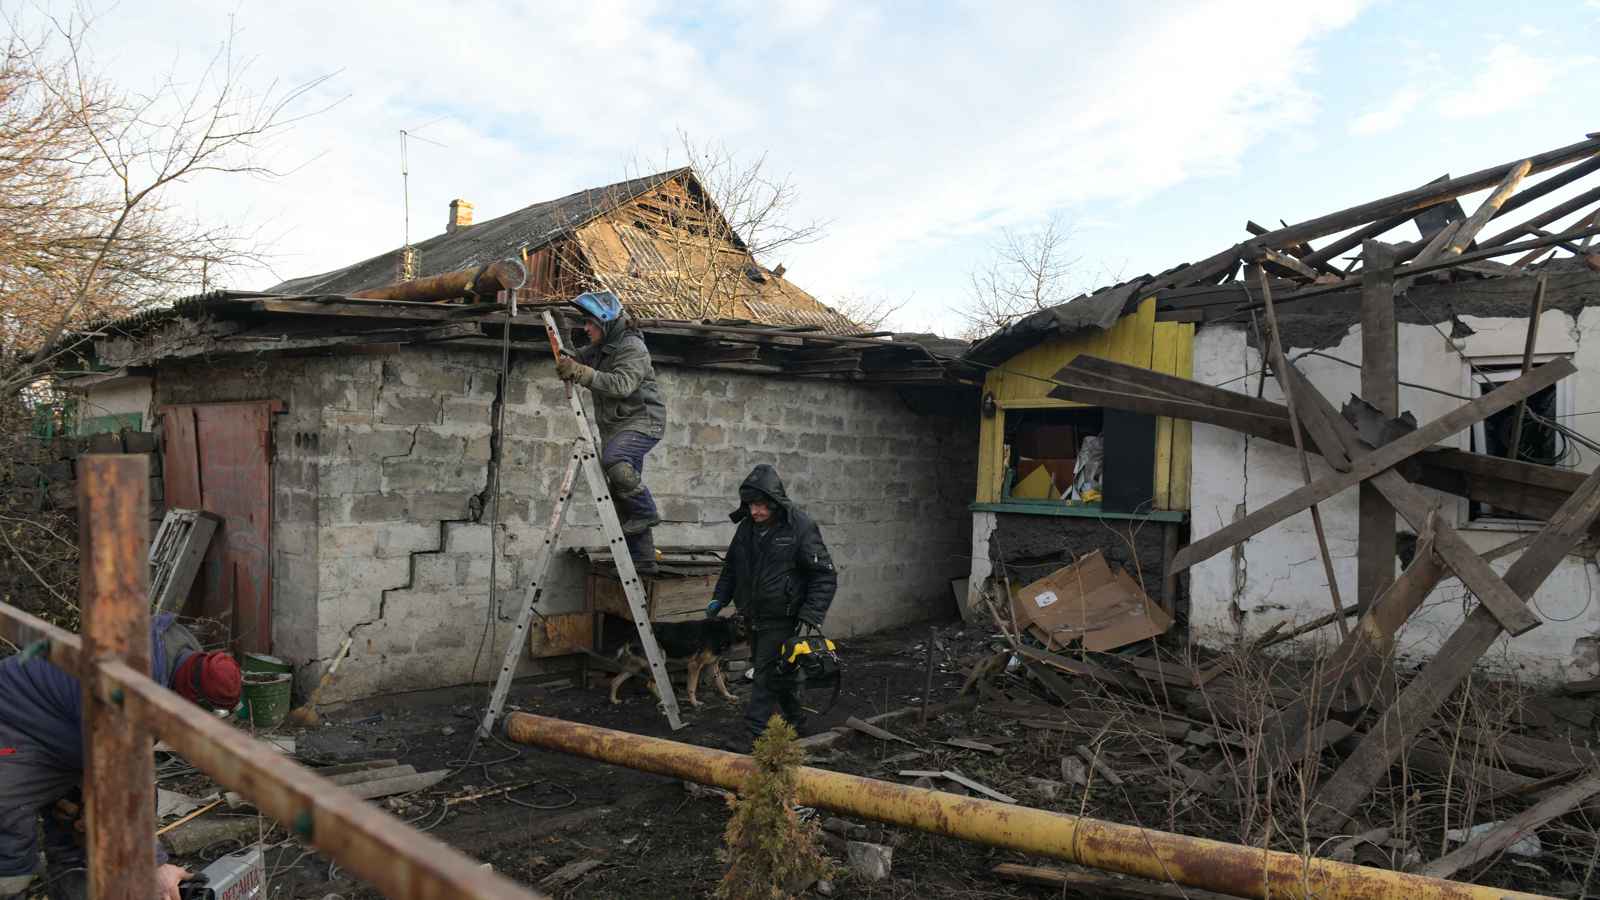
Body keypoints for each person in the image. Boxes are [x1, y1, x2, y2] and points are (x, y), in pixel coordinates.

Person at [0, 613, 241, 900]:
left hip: (73, 729)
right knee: (9, 816)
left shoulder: (172, 662)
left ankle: (72, 884)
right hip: (14, 720)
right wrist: (155, 866)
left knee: (76, 823)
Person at [705, 465, 837, 739]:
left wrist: (811, 613)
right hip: (753, 615)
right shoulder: (746, 528)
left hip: (783, 616)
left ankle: (753, 735)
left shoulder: (799, 527)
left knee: (764, 674)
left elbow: (824, 575)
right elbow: (732, 566)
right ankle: (797, 723)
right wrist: (720, 596)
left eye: (762, 505)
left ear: (776, 503)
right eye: (751, 505)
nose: (755, 512)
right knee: (780, 673)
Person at [555, 290, 667, 575]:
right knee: (621, 493)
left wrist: (579, 372)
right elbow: (575, 360)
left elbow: (621, 385)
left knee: (614, 460)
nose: (586, 328)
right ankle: (643, 562)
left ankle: (647, 511)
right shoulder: (604, 345)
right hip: (620, 426)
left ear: (604, 321)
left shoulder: (631, 347)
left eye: (590, 323)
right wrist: (562, 342)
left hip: (643, 422)